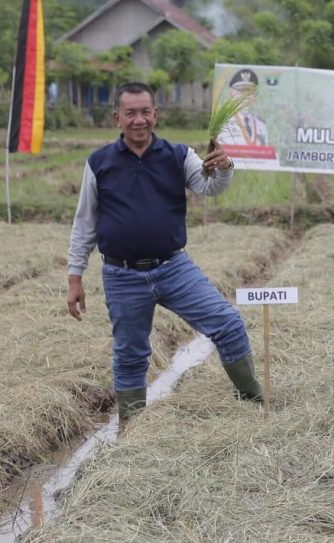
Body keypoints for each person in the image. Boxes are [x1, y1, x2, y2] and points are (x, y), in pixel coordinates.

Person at [66, 81, 262, 421]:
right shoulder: (100, 162)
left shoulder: (178, 155)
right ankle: (132, 428)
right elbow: (85, 222)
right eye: (131, 113)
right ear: (117, 118)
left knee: (228, 324)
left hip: (173, 268)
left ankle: (253, 401)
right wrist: (75, 276)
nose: (139, 120)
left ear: (155, 115)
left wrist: (224, 168)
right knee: (130, 354)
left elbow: (208, 186)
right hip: (121, 274)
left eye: (145, 112)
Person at [219, 68, 270, 148]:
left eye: (249, 91)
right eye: (241, 91)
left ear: (255, 96)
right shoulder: (224, 124)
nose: (245, 96)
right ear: (232, 94)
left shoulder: (261, 125)